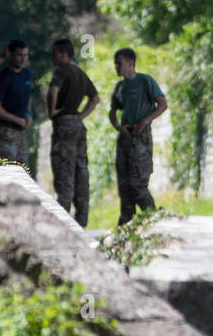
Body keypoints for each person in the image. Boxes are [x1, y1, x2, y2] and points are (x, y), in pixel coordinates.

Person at [109, 47, 167, 226]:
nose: (117, 67)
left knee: (138, 184)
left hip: (140, 137)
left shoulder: (145, 81)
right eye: (115, 64)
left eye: (120, 63)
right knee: (124, 186)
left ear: (131, 64)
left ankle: (153, 218)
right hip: (125, 137)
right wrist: (118, 126)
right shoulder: (120, 87)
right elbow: (112, 111)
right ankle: (126, 225)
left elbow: (162, 104)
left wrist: (144, 121)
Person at [46, 38, 99, 227]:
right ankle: (81, 222)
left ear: (62, 54)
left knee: (64, 174)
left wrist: (51, 111)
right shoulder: (80, 73)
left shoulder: (61, 71)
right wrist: (81, 116)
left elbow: (53, 90)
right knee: (81, 171)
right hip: (77, 124)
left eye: (54, 54)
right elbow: (95, 98)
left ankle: (63, 224)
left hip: (63, 123)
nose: (52, 58)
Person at [0, 40, 34, 165]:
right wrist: (15, 119)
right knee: (6, 169)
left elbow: (27, 95)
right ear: (11, 55)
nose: (23, 59)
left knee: (23, 169)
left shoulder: (27, 74)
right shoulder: (3, 78)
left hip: (20, 133)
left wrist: (29, 113)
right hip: (3, 132)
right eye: (20, 55)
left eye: (26, 55)